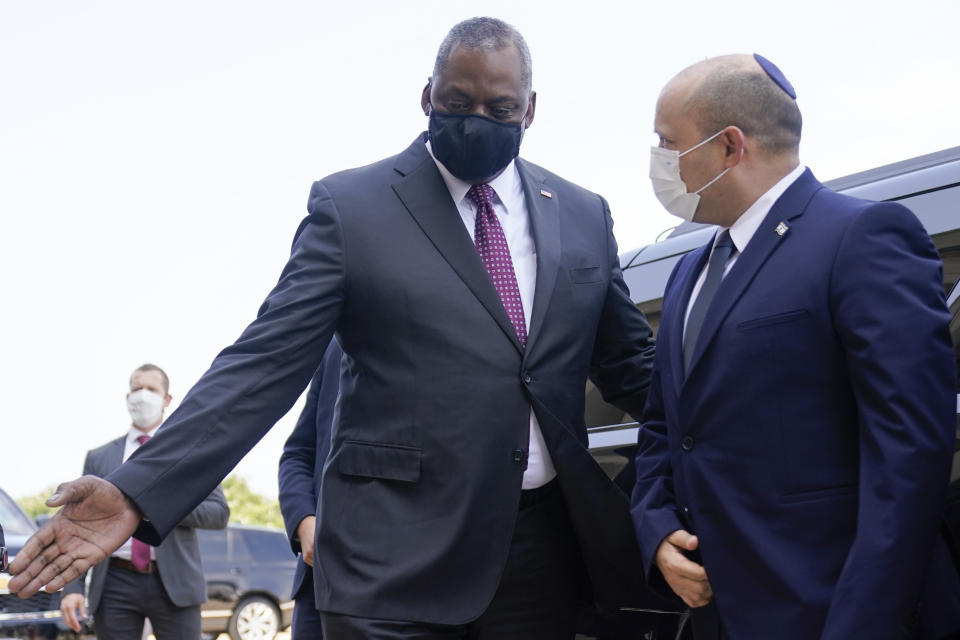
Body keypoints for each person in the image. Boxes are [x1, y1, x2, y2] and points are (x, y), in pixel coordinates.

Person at [12, 17, 657, 639]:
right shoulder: (355, 209)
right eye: (458, 102)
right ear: (427, 96)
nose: (477, 121)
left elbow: (634, 371)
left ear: (531, 109)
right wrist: (137, 494)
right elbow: (265, 361)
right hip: (393, 561)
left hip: (539, 559)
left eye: (500, 108)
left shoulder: (581, 215)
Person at [630, 54, 957, 639]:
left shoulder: (861, 238)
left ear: (730, 146)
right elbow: (664, 429)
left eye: (667, 142)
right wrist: (655, 530)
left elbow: (908, 454)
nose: (659, 161)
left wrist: (862, 622)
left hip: (828, 611)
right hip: (718, 613)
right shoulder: (688, 272)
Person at [58, 364, 230, 639]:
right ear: (127, 397)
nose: (142, 395)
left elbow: (218, 514)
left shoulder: (192, 451)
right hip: (114, 581)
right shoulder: (100, 458)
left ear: (167, 399)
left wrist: (157, 505)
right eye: (137, 389)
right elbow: (81, 524)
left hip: (174, 583)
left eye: (151, 389)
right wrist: (73, 588)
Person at [277, 341, 341, 639]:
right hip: (318, 580)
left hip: (403, 583)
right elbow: (297, 454)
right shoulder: (333, 350)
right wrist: (303, 518)